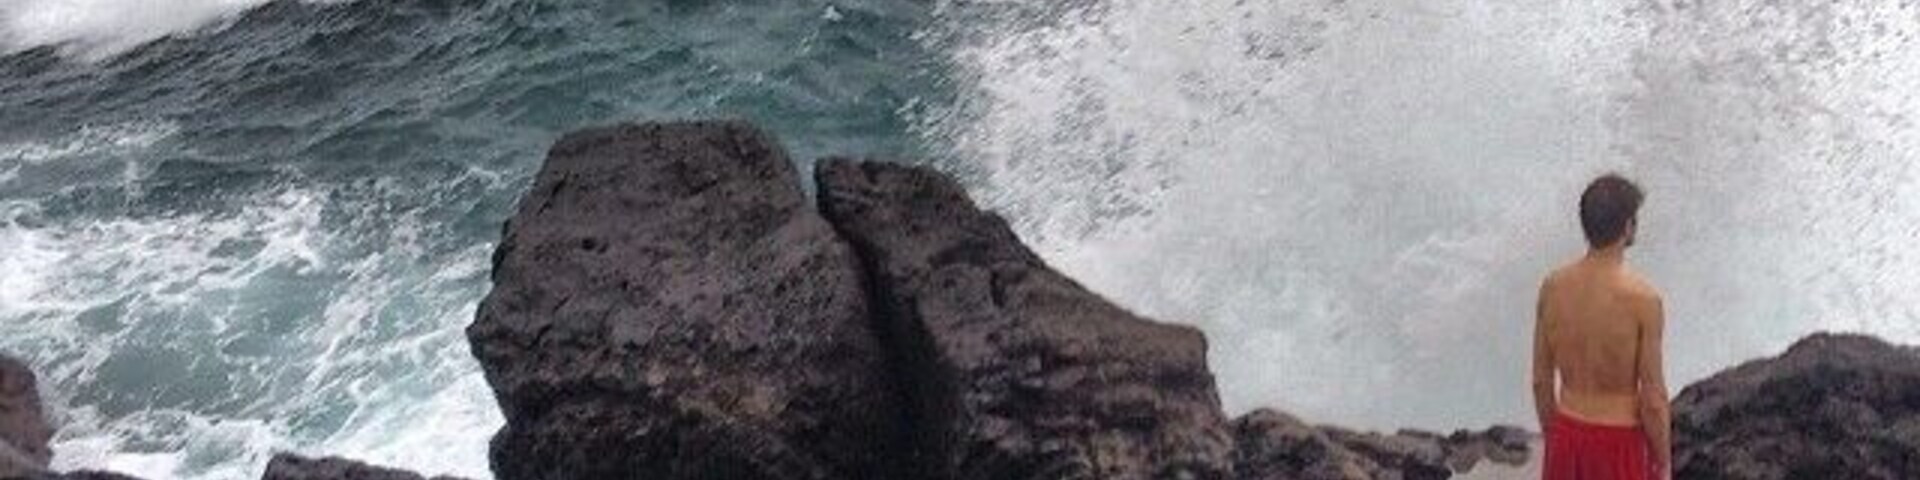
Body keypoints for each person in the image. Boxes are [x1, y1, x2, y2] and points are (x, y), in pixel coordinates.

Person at [1532, 174, 1670, 480]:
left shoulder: (1552, 287)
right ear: (1628, 226)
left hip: (1566, 432)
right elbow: (1653, 398)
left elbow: (1541, 381)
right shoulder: (1644, 300)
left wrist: (1555, 438)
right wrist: (1663, 463)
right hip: (1619, 442)